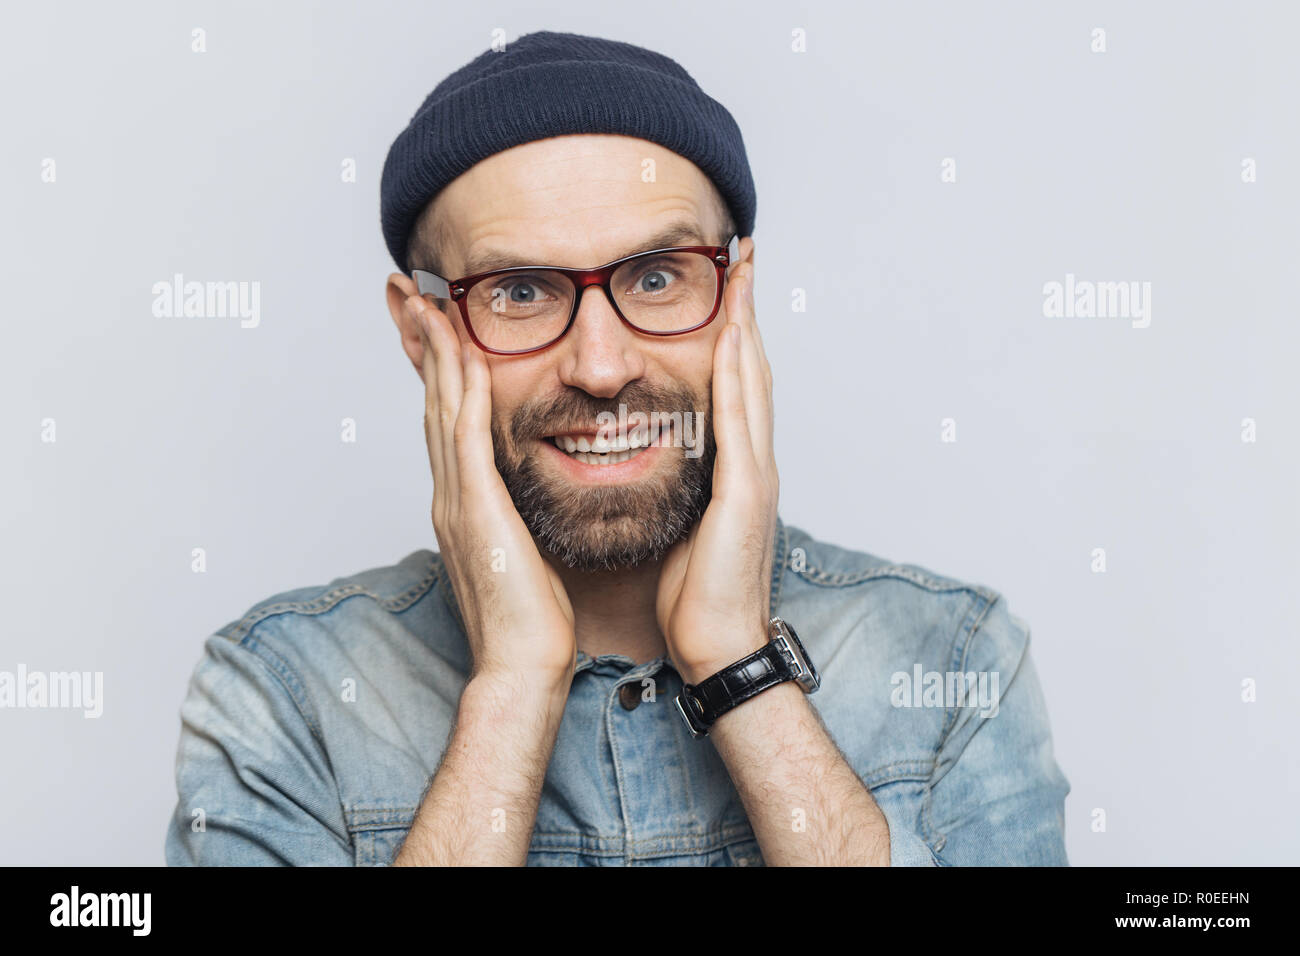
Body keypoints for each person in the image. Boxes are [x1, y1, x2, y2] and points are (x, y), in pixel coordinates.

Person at [165, 30, 1069, 866]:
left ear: (738, 295)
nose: (601, 366)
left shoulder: (952, 662)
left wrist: (736, 663)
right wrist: (514, 688)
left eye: (658, 276)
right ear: (422, 331)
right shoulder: (282, 697)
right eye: (519, 291)